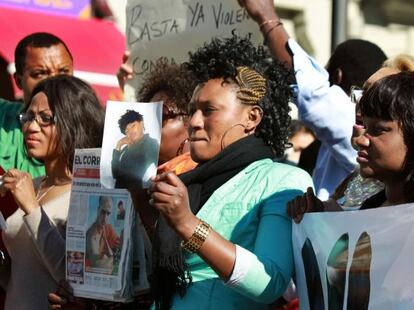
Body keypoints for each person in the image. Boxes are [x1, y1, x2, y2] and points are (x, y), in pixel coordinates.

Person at [148, 35, 313, 310]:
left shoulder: (283, 180)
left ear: (252, 118)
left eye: (208, 110)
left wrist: (189, 224)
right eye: (192, 111)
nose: (195, 122)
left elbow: (269, 281)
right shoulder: (185, 179)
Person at [239, 0, 387, 200]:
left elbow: (311, 91)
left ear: (337, 77)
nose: (361, 139)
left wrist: (267, 18)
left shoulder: (352, 127)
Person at [0, 75, 104, 309]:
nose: (31, 126)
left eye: (45, 119)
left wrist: (32, 209)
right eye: (28, 117)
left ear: (73, 121)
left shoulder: (91, 192)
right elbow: (21, 278)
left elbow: (74, 280)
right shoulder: (33, 186)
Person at [0, 32, 74, 177]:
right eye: (40, 73)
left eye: (63, 71)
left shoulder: (93, 129)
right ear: (18, 81)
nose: (54, 82)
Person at [112, 110, 159, 189]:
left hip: (137, 195)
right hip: (120, 195)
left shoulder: (152, 144)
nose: (131, 131)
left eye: (133, 125)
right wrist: (118, 145)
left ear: (141, 124)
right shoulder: (125, 149)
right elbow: (115, 174)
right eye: (127, 130)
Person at [86, 196, 121, 274]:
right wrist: (113, 257)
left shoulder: (107, 228)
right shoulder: (92, 236)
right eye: (103, 212)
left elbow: (120, 246)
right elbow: (99, 266)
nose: (105, 217)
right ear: (98, 209)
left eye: (108, 213)